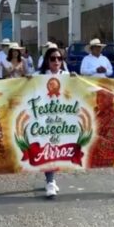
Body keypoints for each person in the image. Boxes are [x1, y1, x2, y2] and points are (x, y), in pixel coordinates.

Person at [35, 46, 76, 199]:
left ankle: (51, 178)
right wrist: (25, 80)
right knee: (49, 147)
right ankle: (50, 181)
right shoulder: (39, 76)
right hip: (44, 119)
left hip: (62, 118)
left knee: (58, 148)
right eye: (53, 58)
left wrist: (75, 80)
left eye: (59, 58)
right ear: (47, 61)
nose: (56, 61)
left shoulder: (66, 75)